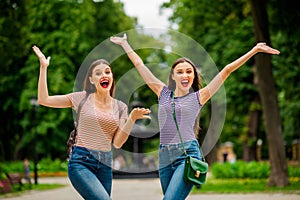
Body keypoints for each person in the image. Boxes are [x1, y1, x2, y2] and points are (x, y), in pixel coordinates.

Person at [110, 34, 280, 199]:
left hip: (187, 155)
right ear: (173, 76)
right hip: (164, 156)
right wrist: (125, 44)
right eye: (180, 72)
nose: (185, 75)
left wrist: (255, 50)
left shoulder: (199, 97)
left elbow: (227, 70)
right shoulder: (162, 93)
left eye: (189, 71)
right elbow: (140, 65)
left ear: (193, 75)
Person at [32, 45, 151, 200]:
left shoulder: (120, 106)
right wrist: (43, 67)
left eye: (107, 72)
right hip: (81, 162)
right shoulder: (81, 98)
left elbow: (118, 143)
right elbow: (44, 99)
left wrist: (132, 119)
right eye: (98, 73)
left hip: (105, 163)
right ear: (91, 80)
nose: (104, 75)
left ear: (112, 77)